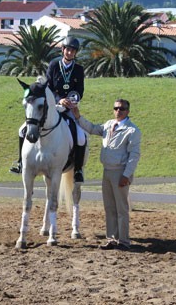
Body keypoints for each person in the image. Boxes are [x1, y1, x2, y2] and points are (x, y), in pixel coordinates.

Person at [10, 36, 87, 183]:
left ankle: (77, 170)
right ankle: (20, 162)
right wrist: (58, 101)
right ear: (63, 50)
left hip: (69, 107)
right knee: (21, 130)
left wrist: (70, 101)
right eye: (68, 49)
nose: (70, 53)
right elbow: (48, 87)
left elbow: (80, 91)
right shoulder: (53, 65)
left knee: (81, 136)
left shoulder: (78, 69)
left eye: (73, 51)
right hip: (53, 106)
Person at [72, 99, 141, 251]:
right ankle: (112, 239)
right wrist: (78, 117)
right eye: (116, 108)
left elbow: (134, 155)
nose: (118, 111)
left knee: (121, 208)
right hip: (107, 171)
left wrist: (126, 175)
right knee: (109, 207)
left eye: (122, 109)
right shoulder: (109, 124)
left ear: (128, 111)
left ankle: (123, 241)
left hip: (120, 171)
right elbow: (92, 128)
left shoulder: (132, 131)